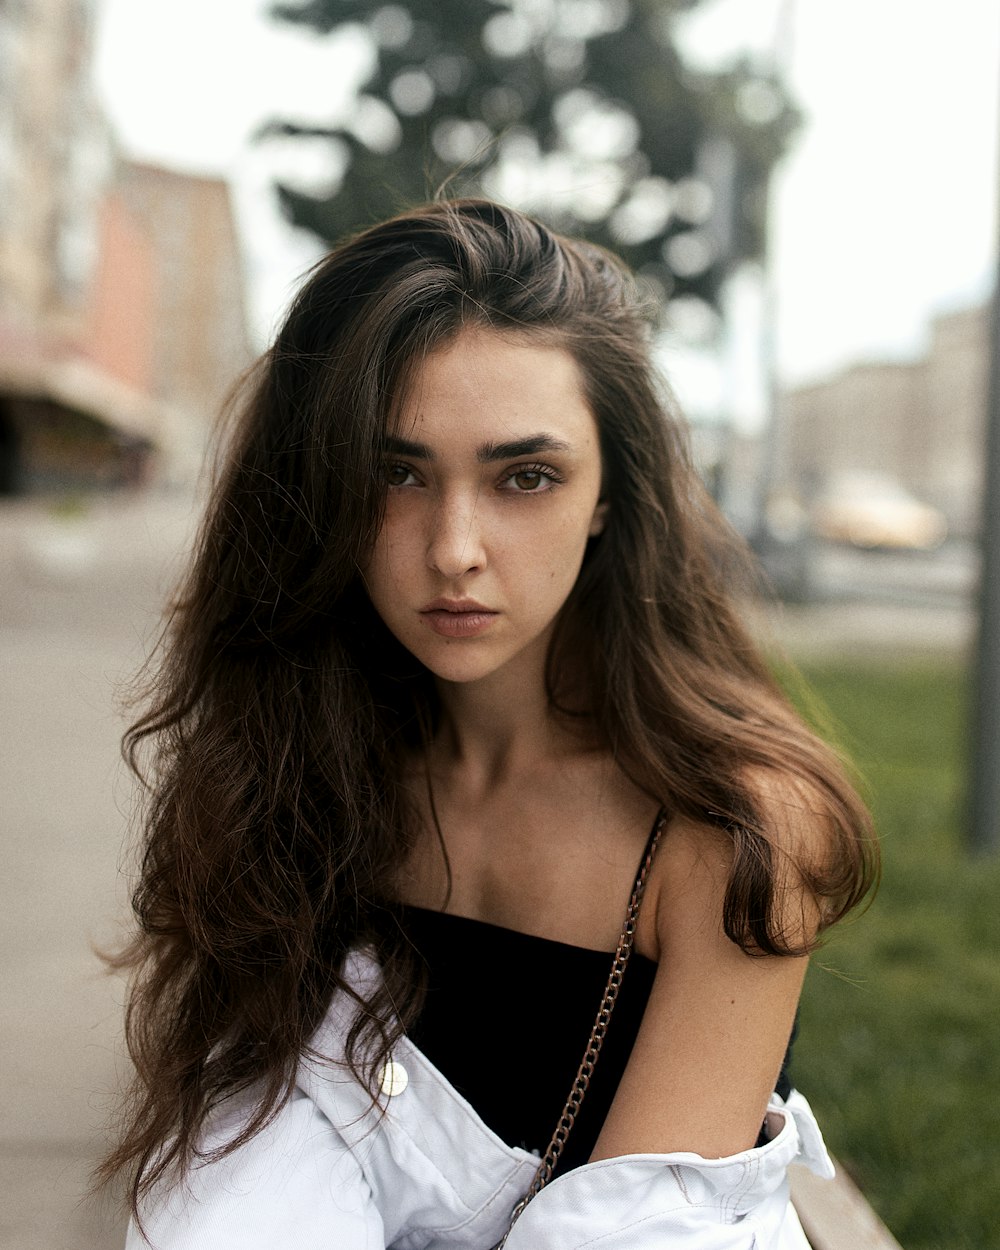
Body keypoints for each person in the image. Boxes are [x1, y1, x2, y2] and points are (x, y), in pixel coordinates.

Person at [101, 198, 876, 1249]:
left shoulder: (728, 826)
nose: (454, 547)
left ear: (608, 493)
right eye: (396, 472)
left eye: (525, 476)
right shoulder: (293, 764)